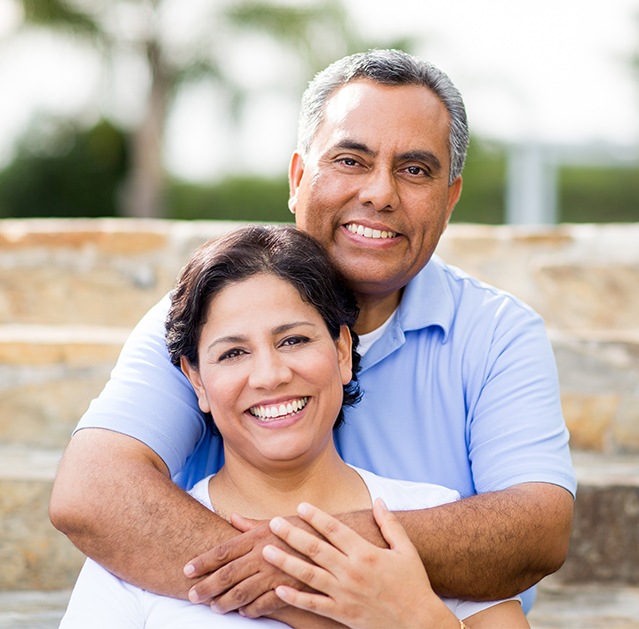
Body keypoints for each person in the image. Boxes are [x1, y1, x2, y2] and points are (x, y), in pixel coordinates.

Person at [50, 49, 576, 617]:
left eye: (416, 170)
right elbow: (93, 490)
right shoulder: (208, 314)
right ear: (299, 179)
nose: (380, 193)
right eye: (350, 160)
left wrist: (304, 560)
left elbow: (537, 528)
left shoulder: (498, 334)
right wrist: (315, 600)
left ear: (450, 200)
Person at [60, 224, 529, 628]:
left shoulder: (431, 516)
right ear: (196, 381)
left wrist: (419, 620)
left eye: (294, 340)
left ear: (343, 351)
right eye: (233, 353)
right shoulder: (136, 549)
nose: (270, 375)